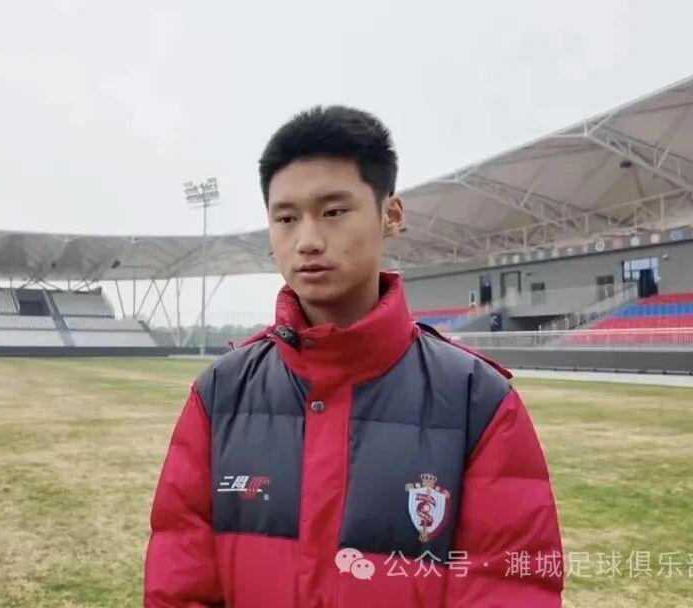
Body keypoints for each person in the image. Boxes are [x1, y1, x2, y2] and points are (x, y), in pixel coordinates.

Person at [144, 106, 563, 607]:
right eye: (286, 218)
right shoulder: (220, 392)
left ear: (391, 215)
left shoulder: (478, 399)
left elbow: (508, 586)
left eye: (334, 212)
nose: (307, 241)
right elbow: (180, 581)